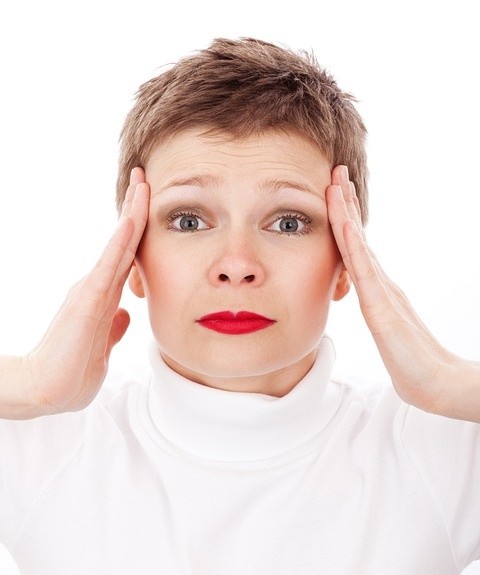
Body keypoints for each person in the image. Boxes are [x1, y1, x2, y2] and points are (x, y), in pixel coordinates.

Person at [0, 37, 479, 574]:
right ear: (132, 258)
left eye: (288, 223)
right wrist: (28, 383)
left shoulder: (445, 449)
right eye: (188, 220)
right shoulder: (36, 445)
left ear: (347, 262)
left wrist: (450, 383)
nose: (236, 264)